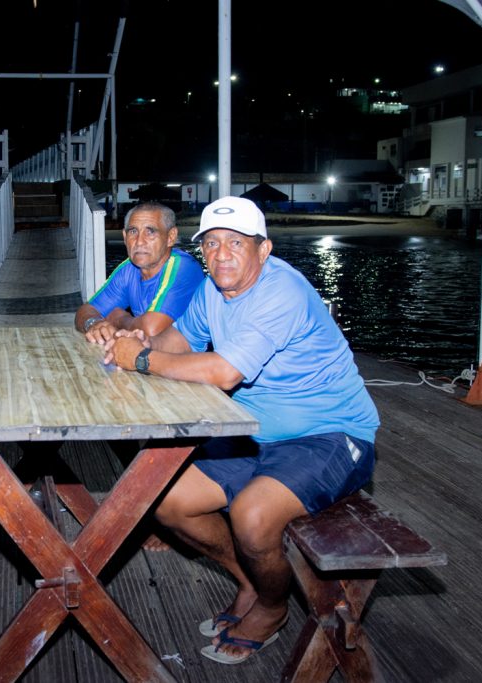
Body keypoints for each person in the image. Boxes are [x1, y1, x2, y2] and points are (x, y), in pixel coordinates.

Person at [104, 196, 379, 666]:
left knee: (252, 516)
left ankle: (273, 606)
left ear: (263, 249)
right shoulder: (213, 289)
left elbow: (225, 372)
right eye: (211, 244)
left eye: (236, 243)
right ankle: (251, 579)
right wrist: (140, 340)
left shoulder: (281, 291)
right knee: (166, 498)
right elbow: (181, 339)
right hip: (250, 430)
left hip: (330, 434)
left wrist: (144, 361)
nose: (221, 254)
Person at [74, 201, 204, 344]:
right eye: (133, 231)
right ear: (125, 237)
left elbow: (151, 330)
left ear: (171, 237)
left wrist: (119, 319)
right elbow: (85, 310)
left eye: (150, 232)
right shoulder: (129, 268)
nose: (139, 241)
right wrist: (95, 324)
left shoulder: (184, 268)